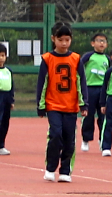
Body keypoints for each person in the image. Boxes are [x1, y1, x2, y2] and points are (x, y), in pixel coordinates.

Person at [35, 25, 84, 183]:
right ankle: (50, 168)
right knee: (55, 135)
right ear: (53, 39)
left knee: (69, 138)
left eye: (67, 40)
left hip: (71, 106)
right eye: (60, 40)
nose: (64, 43)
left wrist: (84, 104)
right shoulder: (47, 59)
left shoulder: (76, 59)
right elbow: (42, 83)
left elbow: (81, 83)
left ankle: (65, 170)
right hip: (53, 105)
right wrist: (41, 105)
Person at [80, 32, 111, 153]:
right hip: (89, 89)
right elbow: (79, 68)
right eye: (99, 41)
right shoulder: (88, 56)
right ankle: (86, 140)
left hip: (103, 90)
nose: (101, 43)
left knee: (103, 116)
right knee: (88, 115)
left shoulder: (108, 59)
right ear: (93, 43)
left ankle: (102, 139)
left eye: (104, 41)